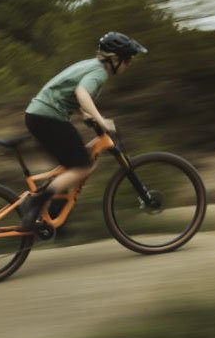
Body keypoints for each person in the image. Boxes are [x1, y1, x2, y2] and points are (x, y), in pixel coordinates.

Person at [18, 31, 148, 230]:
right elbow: (81, 93)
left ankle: (51, 213)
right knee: (82, 166)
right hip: (47, 117)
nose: (129, 64)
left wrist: (84, 114)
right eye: (127, 59)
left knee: (72, 164)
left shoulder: (90, 65)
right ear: (114, 59)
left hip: (39, 115)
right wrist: (101, 120)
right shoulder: (99, 72)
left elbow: (67, 91)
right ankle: (36, 202)